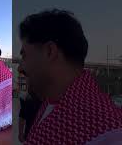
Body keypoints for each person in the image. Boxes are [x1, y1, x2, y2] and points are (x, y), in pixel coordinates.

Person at [19, 9, 122, 144]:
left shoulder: (110, 136)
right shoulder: (51, 103)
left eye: (24, 55)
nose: (20, 67)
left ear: (49, 52)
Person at [17, 65, 42, 143]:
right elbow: (22, 114)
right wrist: (20, 133)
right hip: (30, 134)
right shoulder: (25, 96)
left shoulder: (44, 95)